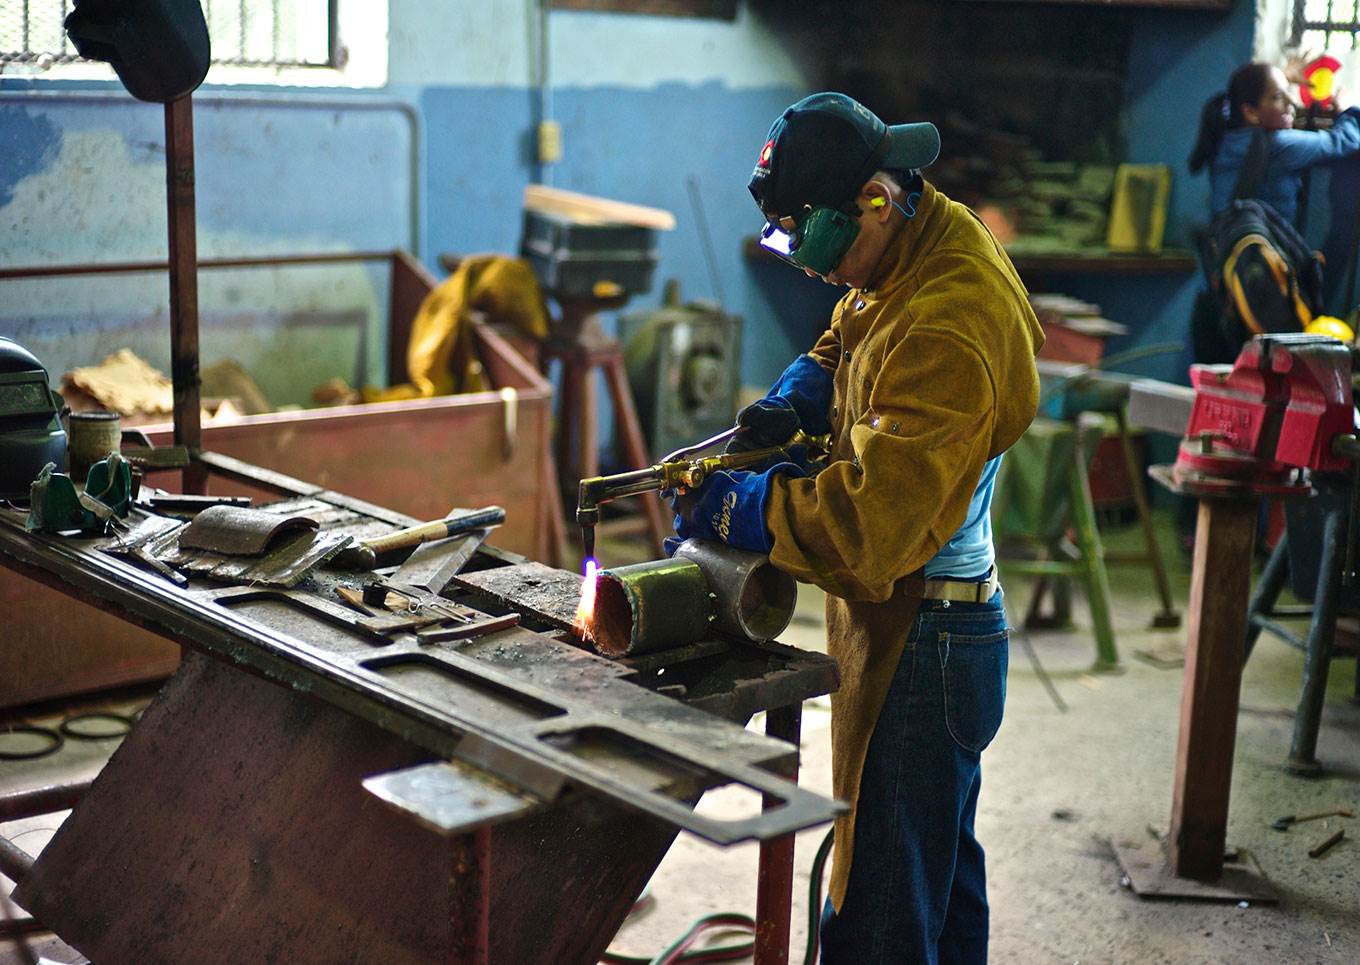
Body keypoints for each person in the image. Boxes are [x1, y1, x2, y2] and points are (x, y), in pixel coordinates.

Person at [669, 92, 1043, 963]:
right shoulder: (917, 240)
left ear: (875, 199)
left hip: (926, 636)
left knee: (876, 917)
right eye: (788, 244)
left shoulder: (953, 320)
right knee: (936, 889)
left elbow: (871, 528)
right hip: (922, 627)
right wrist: (799, 389)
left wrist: (747, 508)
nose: (811, 271)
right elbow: (855, 326)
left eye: (818, 245)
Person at [1190, 60, 1360, 225]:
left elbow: (1253, 88)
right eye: (1279, 96)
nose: (1292, 101)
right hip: (1262, 251)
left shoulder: (1225, 134)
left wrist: (1280, 77)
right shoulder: (1279, 145)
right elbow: (1345, 140)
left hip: (1225, 246)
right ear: (1250, 112)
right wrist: (1346, 110)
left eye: (1288, 90)